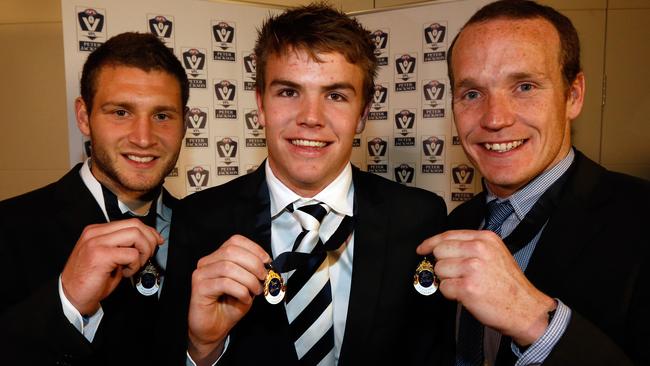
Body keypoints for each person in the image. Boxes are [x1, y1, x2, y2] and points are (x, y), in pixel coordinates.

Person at [169, 4, 453, 365]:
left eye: (335, 95)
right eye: (289, 92)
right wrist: (202, 347)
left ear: (363, 113)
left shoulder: (419, 218)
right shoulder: (198, 220)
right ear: (260, 105)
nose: (310, 118)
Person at [416, 1, 650, 365]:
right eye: (472, 94)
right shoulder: (454, 225)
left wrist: (536, 322)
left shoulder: (641, 219)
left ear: (573, 95)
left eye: (524, 86)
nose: (495, 119)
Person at [0, 32, 190, 364]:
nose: (144, 138)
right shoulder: (8, 228)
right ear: (84, 117)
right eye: (120, 112)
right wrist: (67, 302)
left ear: (185, 123)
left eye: (162, 116)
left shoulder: (208, 226)